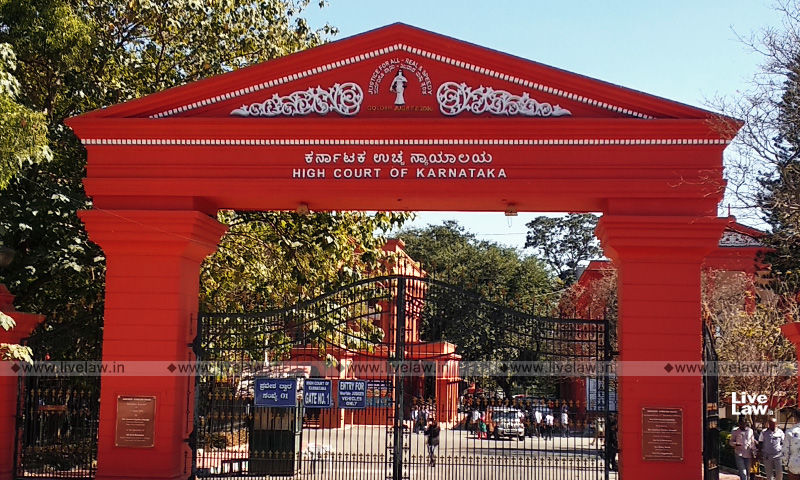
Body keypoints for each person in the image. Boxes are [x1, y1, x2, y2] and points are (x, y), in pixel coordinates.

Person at [784, 414, 800, 480]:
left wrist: (786, 465)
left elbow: (785, 451)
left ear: (795, 419)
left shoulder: (789, 432)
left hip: (794, 466)